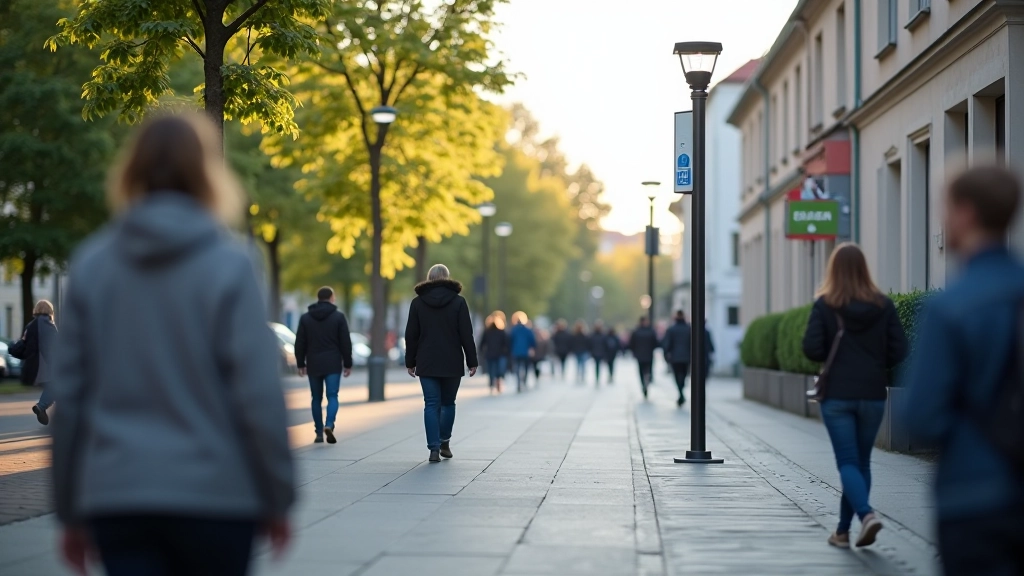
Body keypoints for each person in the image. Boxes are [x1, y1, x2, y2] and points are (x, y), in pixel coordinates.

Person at [50, 113, 294, 576]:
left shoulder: (92, 265)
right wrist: (279, 495)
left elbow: (72, 398)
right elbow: (258, 393)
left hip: (119, 494)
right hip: (217, 496)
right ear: (206, 172)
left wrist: (68, 509)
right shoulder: (232, 264)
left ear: (131, 169)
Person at [904, 166, 1024, 574]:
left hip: (975, 494)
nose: (942, 218)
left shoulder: (950, 306)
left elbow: (920, 417)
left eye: (946, 207)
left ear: (967, 213)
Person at [802, 242, 907, 550]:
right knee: (861, 462)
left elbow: (811, 348)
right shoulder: (883, 305)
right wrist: (875, 363)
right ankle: (842, 532)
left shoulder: (825, 305)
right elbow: (900, 349)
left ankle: (866, 515)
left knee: (848, 461)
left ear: (833, 271)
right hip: (872, 393)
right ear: (864, 270)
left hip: (837, 395)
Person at [405, 264, 478, 463]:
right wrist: (472, 361)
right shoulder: (459, 302)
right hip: (452, 361)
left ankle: (433, 449)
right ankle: (444, 440)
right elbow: (466, 334)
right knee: (448, 403)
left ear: (429, 278)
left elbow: (411, 335)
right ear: (447, 278)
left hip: (427, 361)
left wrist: (410, 361)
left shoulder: (417, 303)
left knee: (430, 404)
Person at [295, 286, 353, 444]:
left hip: (313, 362)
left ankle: (319, 432)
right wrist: (348, 363)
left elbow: (300, 342)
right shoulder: (339, 317)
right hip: (333, 362)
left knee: (316, 398)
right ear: (332, 297)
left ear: (318, 297)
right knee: (332, 395)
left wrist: (301, 363)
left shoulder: (306, 318)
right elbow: (345, 343)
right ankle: (329, 424)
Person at [13, 300, 59, 425]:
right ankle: (42, 407)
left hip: (33, 367)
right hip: (46, 366)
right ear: (50, 312)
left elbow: (23, 346)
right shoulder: (49, 325)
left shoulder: (30, 326)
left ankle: (42, 407)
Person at [661, 311, 692, 406]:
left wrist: (666, 355)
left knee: (677, 375)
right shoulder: (689, 329)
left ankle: (680, 392)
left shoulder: (671, 329)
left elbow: (667, 344)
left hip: (675, 357)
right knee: (683, 375)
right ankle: (681, 391)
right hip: (686, 357)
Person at [629, 316, 659, 398]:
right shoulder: (651, 331)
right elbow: (656, 343)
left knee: (641, 371)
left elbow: (631, 344)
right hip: (649, 355)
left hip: (640, 355)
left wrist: (634, 352)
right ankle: (647, 381)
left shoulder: (636, 332)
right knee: (648, 370)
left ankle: (643, 384)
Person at [479, 313, 509, 394]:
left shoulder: (487, 332)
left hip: (489, 354)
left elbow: (482, 344)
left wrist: (481, 352)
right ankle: (498, 383)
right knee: (499, 370)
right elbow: (506, 343)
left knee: (491, 370)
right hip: (500, 354)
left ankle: (491, 384)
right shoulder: (502, 332)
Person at [508, 311, 536, 392]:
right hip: (525, 352)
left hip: (515, 351)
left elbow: (510, 340)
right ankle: (524, 380)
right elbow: (532, 340)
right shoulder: (528, 330)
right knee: (526, 367)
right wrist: (532, 348)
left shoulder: (513, 330)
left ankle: (518, 382)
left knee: (517, 367)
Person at [589, 321, 608, 385]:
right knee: (597, 366)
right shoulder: (593, 335)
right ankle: (597, 378)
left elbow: (605, 345)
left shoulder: (603, 335)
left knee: (599, 366)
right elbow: (590, 344)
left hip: (601, 352)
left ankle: (599, 377)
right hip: (595, 352)